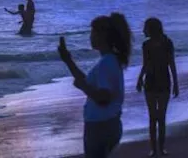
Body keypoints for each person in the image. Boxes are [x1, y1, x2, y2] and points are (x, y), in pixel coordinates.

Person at [57, 13, 132, 158]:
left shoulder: (106, 63)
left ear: (103, 35)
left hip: (100, 125)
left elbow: (103, 98)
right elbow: (87, 83)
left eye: (93, 32)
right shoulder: (110, 60)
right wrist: (68, 61)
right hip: (107, 123)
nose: (90, 36)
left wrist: (83, 87)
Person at [136, 17, 179, 157]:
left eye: (145, 28)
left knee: (161, 117)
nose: (143, 31)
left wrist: (176, 83)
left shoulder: (167, 43)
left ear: (152, 29)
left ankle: (161, 148)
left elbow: (171, 63)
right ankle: (154, 149)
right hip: (150, 82)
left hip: (164, 82)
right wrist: (139, 78)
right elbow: (145, 64)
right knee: (152, 117)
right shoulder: (146, 45)